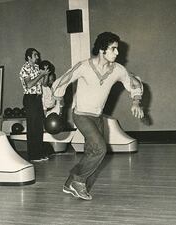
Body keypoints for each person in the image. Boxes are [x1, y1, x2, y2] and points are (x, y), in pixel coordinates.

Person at [51, 32, 144, 200]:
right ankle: (78, 181)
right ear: (102, 49)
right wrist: (58, 104)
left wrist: (136, 102)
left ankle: (69, 183)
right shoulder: (84, 66)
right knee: (100, 148)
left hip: (97, 117)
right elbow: (63, 80)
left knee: (91, 152)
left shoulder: (118, 70)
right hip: (81, 116)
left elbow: (134, 83)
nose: (117, 53)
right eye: (113, 49)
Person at [19, 48, 49, 162]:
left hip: (37, 99)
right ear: (29, 57)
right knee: (32, 127)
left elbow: (44, 84)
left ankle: (39, 153)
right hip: (30, 99)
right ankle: (33, 155)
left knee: (38, 127)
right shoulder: (24, 68)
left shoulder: (37, 68)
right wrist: (41, 75)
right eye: (35, 55)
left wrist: (45, 74)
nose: (37, 57)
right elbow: (29, 84)